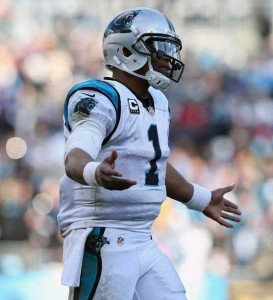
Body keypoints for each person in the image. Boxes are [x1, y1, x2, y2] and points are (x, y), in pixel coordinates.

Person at [57, 7, 241, 300]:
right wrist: (96, 172)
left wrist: (202, 199)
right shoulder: (100, 97)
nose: (169, 58)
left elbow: (154, 165)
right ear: (128, 51)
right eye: (159, 48)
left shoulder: (157, 101)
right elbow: (75, 156)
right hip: (104, 236)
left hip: (143, 238)